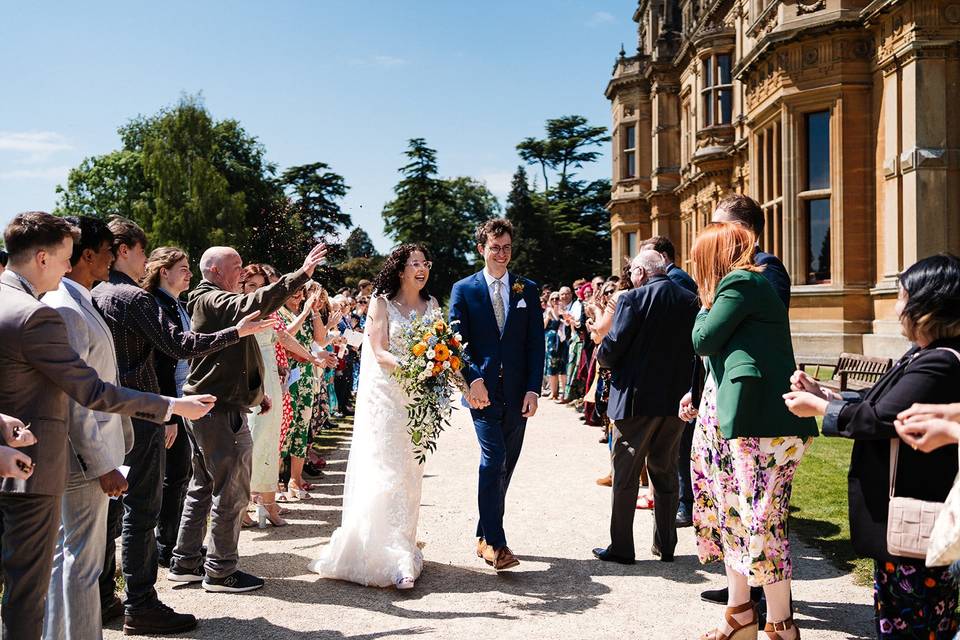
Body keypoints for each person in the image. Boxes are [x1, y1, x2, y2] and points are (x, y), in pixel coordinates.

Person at [0, 211, 215, 640]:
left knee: (48, 573)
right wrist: (171, 406)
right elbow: (89, 392)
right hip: (45, 460)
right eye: (65, 256)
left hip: (25, 453)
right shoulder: (43, 310)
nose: (68, 265)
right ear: (43, 257)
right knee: (47, 579)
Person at [93, 218, 270, 635]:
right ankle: (141, 603)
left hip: (108, 414)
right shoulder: (131, 297)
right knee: (142, 511)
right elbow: (179, 345)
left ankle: (104, 596)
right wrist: (237, 331)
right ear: (124, 250)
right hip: (142, 413)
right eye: (141, 251)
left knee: (110, 513)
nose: (145, 261)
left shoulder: (95, 294)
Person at [785, 253, 960, 639]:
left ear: (925, 306)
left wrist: (819, 408)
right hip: (904, 517)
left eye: (901, 296)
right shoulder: (923, 355)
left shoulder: (941, 362)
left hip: (916, 515)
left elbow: (884, 420)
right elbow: (878, 403)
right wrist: (826, 392)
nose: (897, 307)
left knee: (914, 624)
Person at [682, 221, 817, 640]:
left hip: (761, 426)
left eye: (700, 260)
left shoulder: (740, 282)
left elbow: (702, 339)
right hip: (740, 423)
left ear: (714, 258)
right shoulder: (742, 287)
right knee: (732, 518)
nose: (695, 268)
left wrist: (704, 301)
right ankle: (740, 615)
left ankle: (781, 626)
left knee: (761, 523)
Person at [168, 242, 328, 594]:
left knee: (202, 487)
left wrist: (257, 394)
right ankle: (221, 571)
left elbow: (240, 353)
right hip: (218, 411)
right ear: (213, 270)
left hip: (216, 406)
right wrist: (300, 274)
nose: (242, 271)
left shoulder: (215, 301)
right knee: (232, 491)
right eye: (235, 264)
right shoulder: (211, 299)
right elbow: (256, 303)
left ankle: (186, 563)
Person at [310, 244, 438, 589]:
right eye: (415, 263)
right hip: (386, 395)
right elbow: (378, 350)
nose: (422, 268)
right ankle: (385, 556)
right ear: (400, 269)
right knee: (384, 469)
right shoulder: (381, 303)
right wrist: (415, 366)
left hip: (417, 400)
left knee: (410, 471)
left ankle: (403, 547)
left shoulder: (433, 305)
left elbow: (442, 348)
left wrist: (438, 369)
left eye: (426, 263)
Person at [41, 216, 132, 640]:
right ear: (89, 254)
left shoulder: (80, 299)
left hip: (88, 452)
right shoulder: (66, 307)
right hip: (84, 458)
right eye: (110, 249)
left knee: (71, 558)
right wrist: (101, 465)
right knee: (83, 562)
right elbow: (76, 398)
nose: (114, 257)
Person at [449, 218, 545, 572]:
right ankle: (497, 544)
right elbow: (456, 343)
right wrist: (471, 379)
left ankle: (482, 533)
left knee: (506, 466)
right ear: (481, 249)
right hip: (481, 392)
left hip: (519, 393)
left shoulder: (527, 289)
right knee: (494, 460)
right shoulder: (464, 289)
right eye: (495, 248)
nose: (501, 254)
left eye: (506, 247)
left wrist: (534, 389)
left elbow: (536, 345)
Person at [591, 250, 699, 565]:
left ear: (640, 272)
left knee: (625, 474)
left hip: (635, 402)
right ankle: (666, 544)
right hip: (674, 402)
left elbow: (614, 346)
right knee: (665, 473)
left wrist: (601, 353)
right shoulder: (689, 298)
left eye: (631, 271)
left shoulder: (632, 300)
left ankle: (622, 546)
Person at [239, 265, 326, 526]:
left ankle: (268, 501)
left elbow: (284, 338)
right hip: (249, 376)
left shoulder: (272, 310)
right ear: (243, 286)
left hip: (272, 378)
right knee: (251, 440)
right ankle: (242, 504)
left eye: (261, 285)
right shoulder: (239, 308)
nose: (256, 290)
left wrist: (311, 357)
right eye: (251, 285)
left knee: (272, 438)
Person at [142, 247, 196, 569]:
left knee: (180, 475)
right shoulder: (157, 306)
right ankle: (165, 546)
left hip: (182, 401)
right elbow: (160, 363)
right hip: (168, 405)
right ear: (164, 271)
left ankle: (172, 541)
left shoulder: (179, 305)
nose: (189, 273)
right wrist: (170, 416)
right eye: (184, 268)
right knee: (172, 477)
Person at [641, 235, 699, 529]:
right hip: (676, 371)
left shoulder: (678, 280)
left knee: (681, 444)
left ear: (662, 256)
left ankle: (685, 505)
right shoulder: (673, 278)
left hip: (682, 372)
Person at [543, 292, 565, 399]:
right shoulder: (547, 311)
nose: (555, 301)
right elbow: (543, 326)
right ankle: (553, 392)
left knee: (562, 366)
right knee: (551, 366)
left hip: (562, 340)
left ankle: (563, 392)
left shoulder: (563, 311)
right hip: (551, 341)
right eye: (553, 299)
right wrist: (548, 317)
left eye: (557, 298)